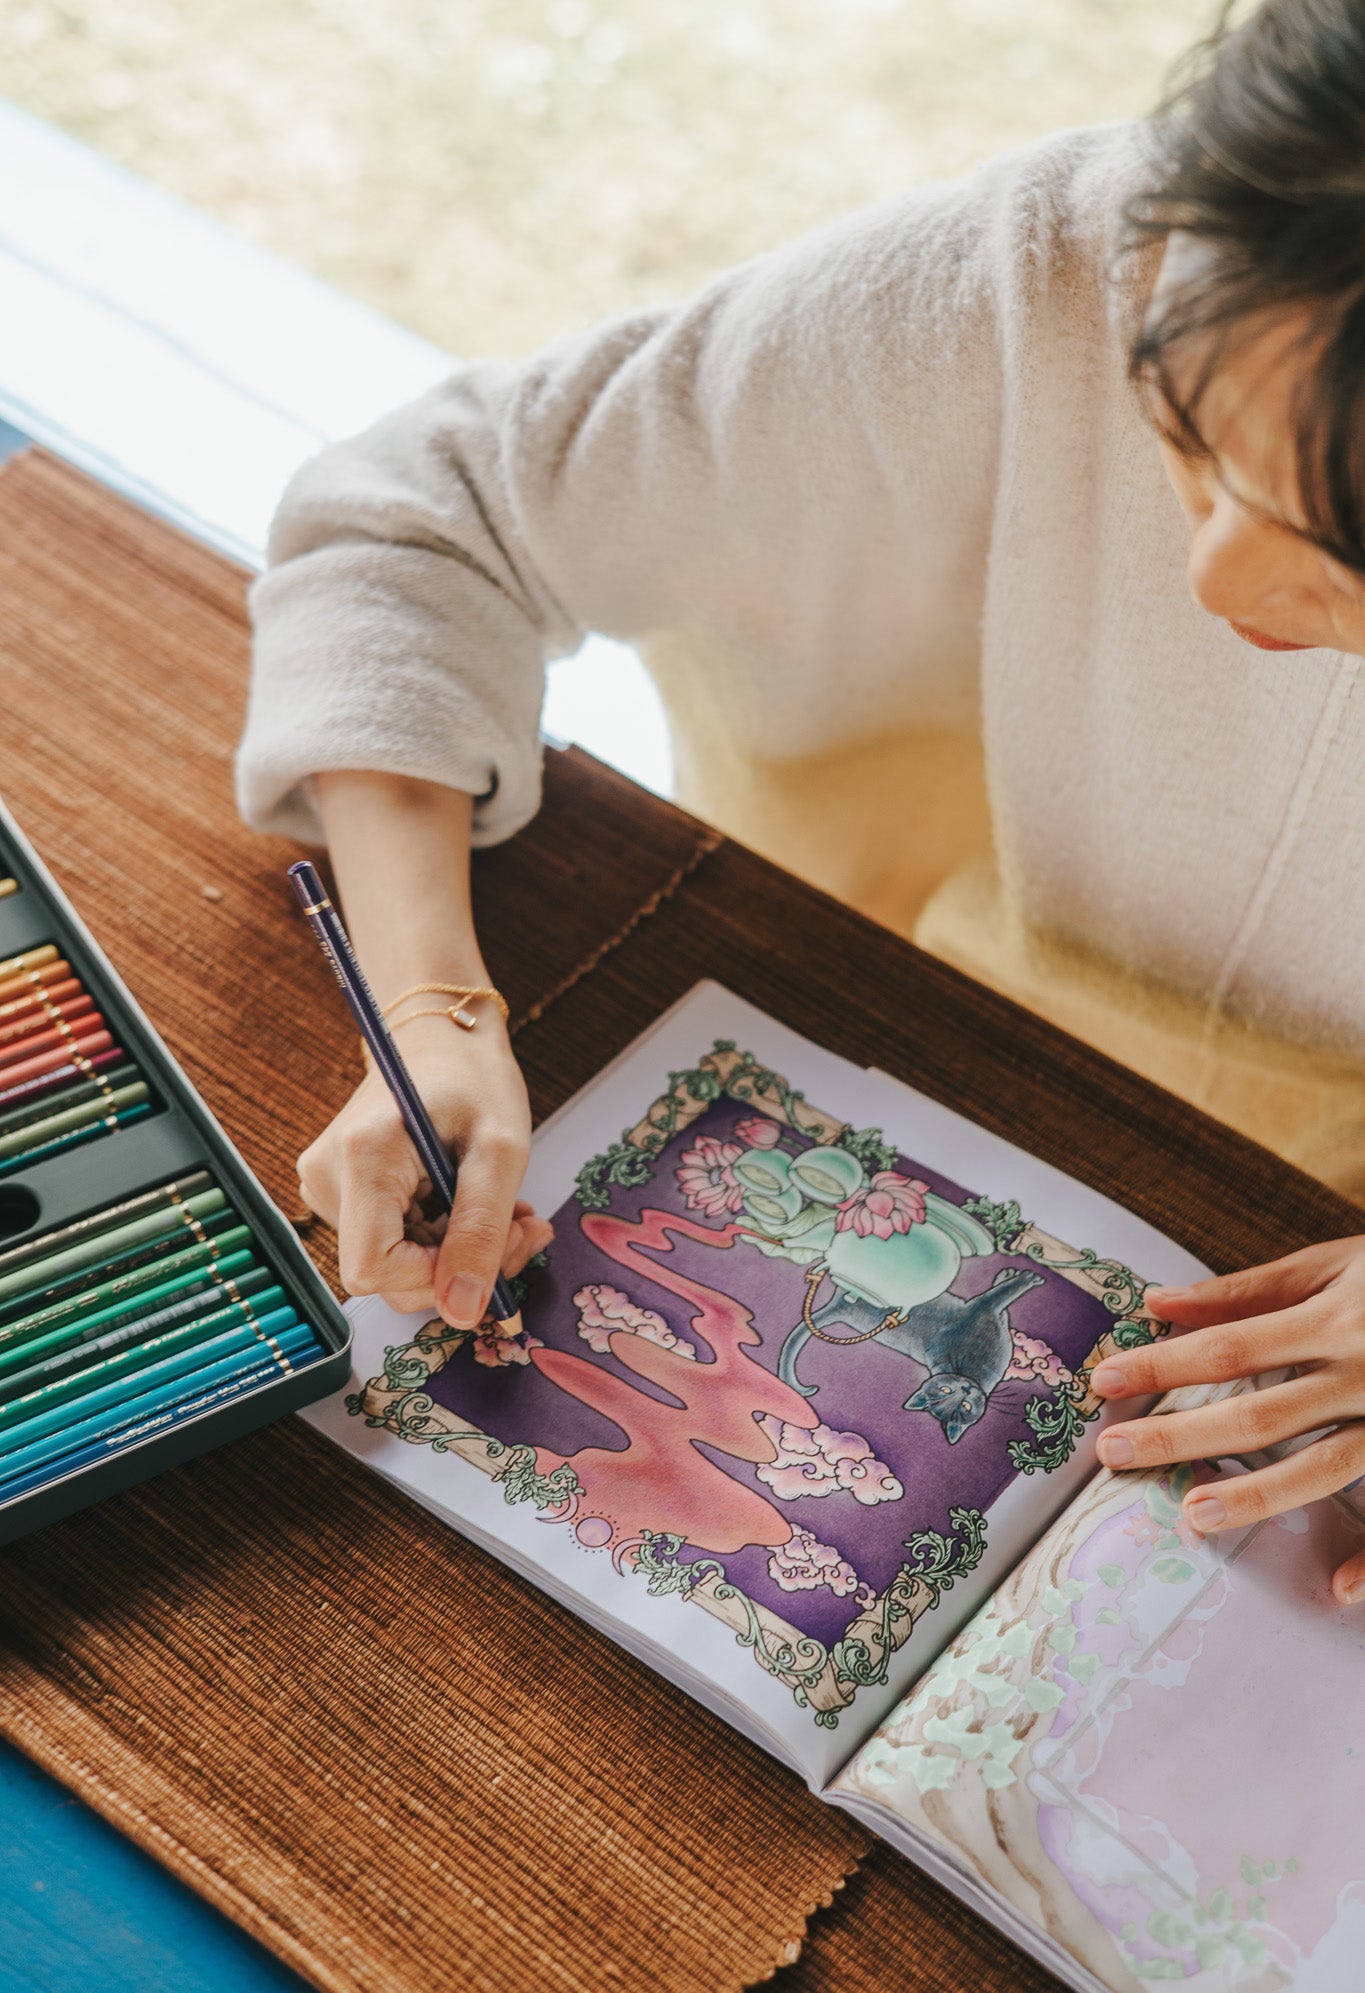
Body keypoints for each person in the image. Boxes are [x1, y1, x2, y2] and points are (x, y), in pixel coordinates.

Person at [241, 0, 1365, 1593]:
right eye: (1183, 436)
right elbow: (423, 518)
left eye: (1342, 557)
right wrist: (429, 1004)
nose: (1215, 577)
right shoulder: (1082, 259)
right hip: (847, 998)